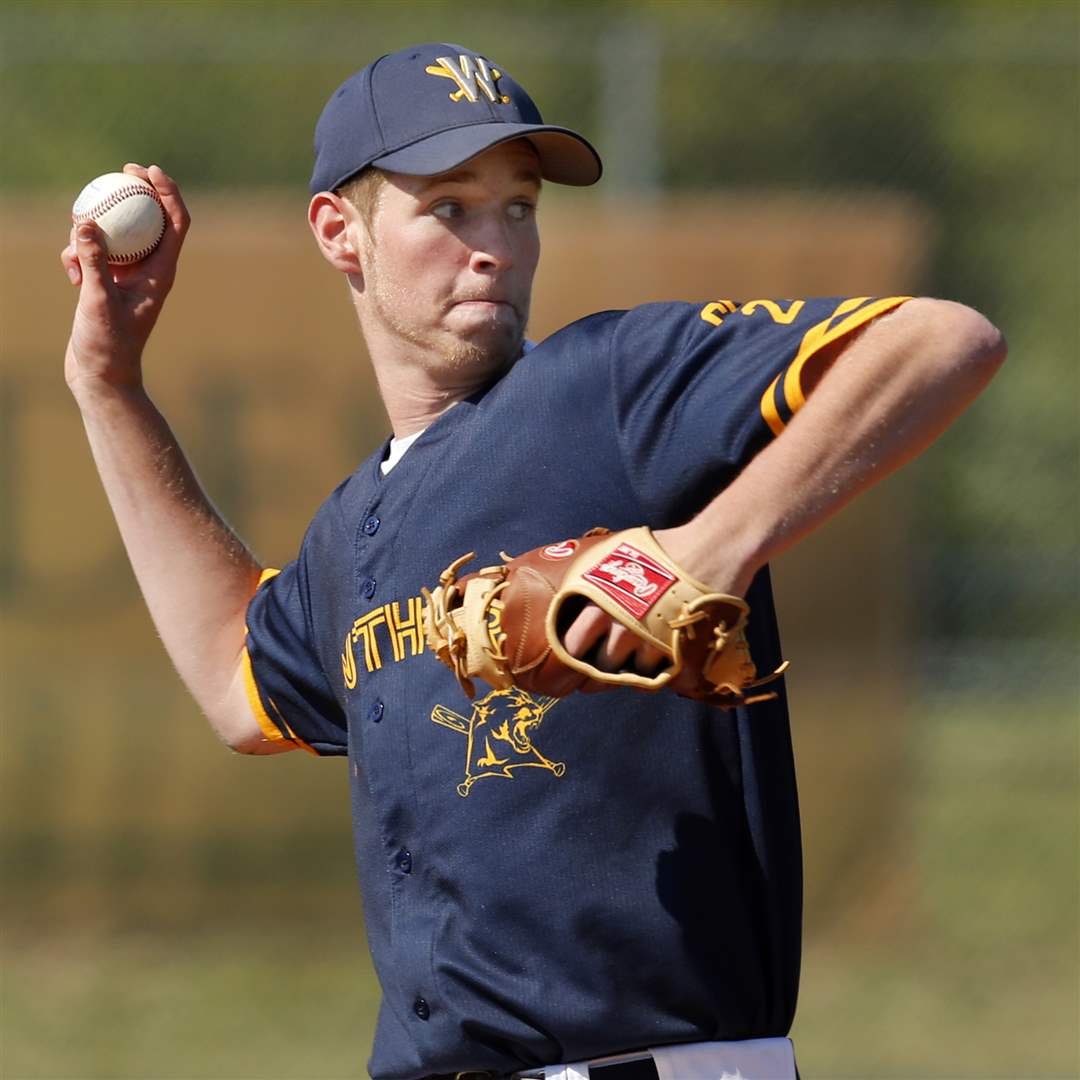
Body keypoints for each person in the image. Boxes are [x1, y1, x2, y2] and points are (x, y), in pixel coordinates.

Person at [61, 43, 1005, 1080]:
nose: (496, 246)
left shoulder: (605, 388)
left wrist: (709, 549)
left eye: (519, 206)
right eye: (451, 207)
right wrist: (110, 389)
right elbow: (239, 684)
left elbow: (939, 339)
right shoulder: (352, 530)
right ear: (342, 233)